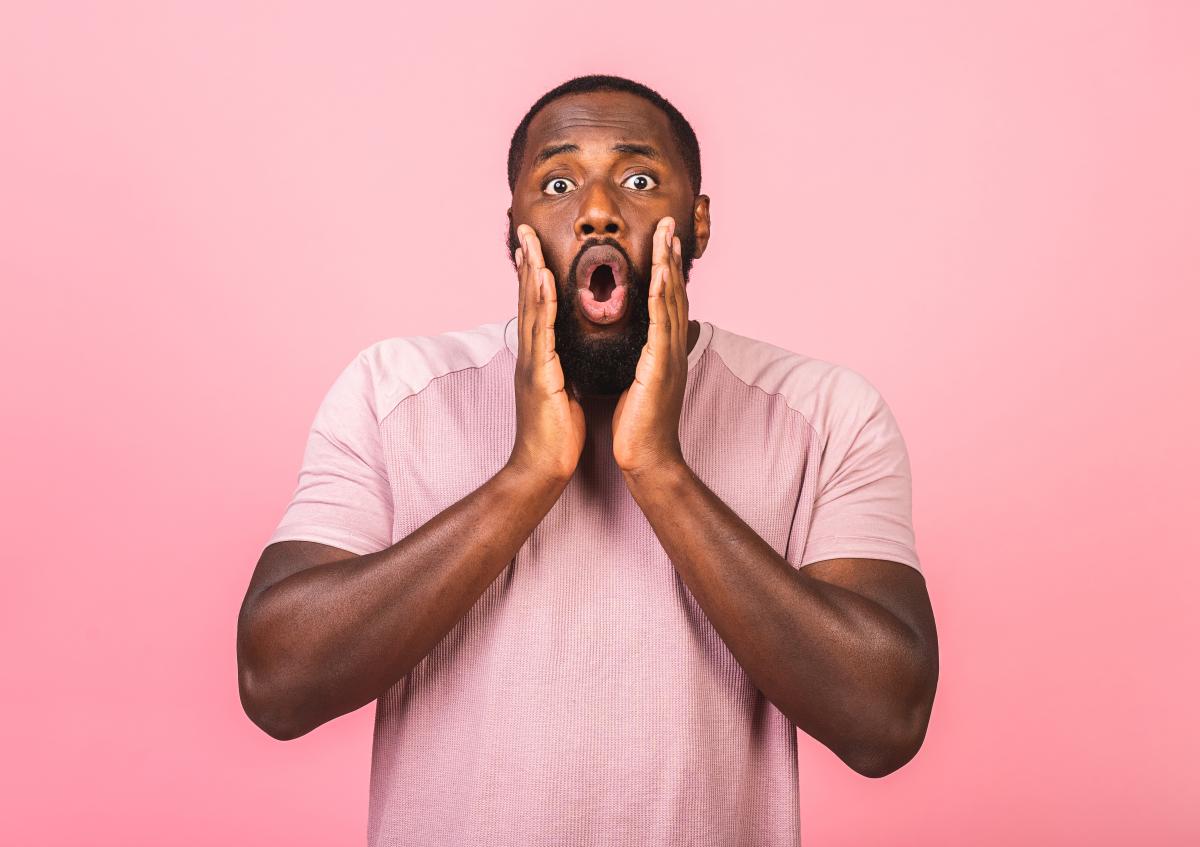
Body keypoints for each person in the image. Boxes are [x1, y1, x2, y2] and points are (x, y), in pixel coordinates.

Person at [237, 74, 939, 846]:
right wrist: (527, 476)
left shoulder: (827, 412)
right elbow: (278, 684)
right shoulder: (392, 390)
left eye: (639, 180)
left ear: (696, 223)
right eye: (559, 182)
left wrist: (660, 471)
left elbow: (885, 720)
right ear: (515, 230)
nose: (599, 210)